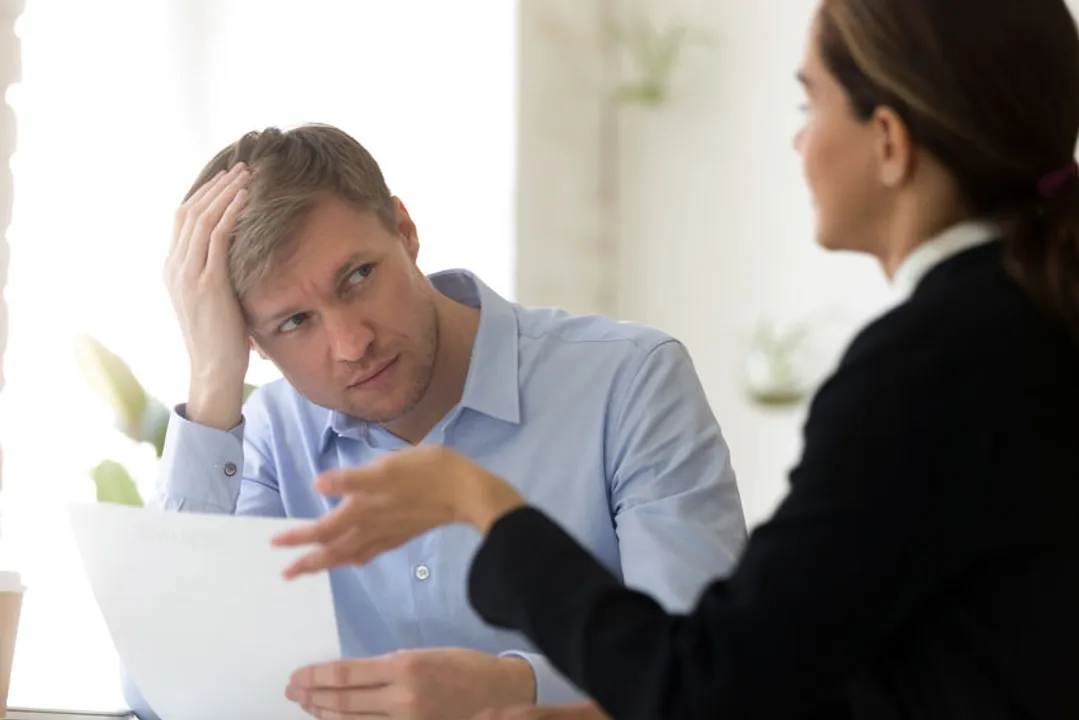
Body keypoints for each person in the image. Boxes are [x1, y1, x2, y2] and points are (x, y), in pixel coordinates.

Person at [273, 0, 1079, 718]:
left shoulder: (925, 367)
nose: (798, 142)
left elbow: (709, 684)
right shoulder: (1028, 325)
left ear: (890, 143)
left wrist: (480, 504)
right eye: (293, 320)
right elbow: (860, 655)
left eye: (809, 103)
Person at [126, 124, 747, 719]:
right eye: (295, 322)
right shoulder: (268, 434)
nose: (351, 343)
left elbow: (707, 676)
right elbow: (163, 691)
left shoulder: (630, 382)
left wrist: (513, 687)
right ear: (254, 342)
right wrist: (212, 382)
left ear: (405, 230)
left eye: (358, 277)